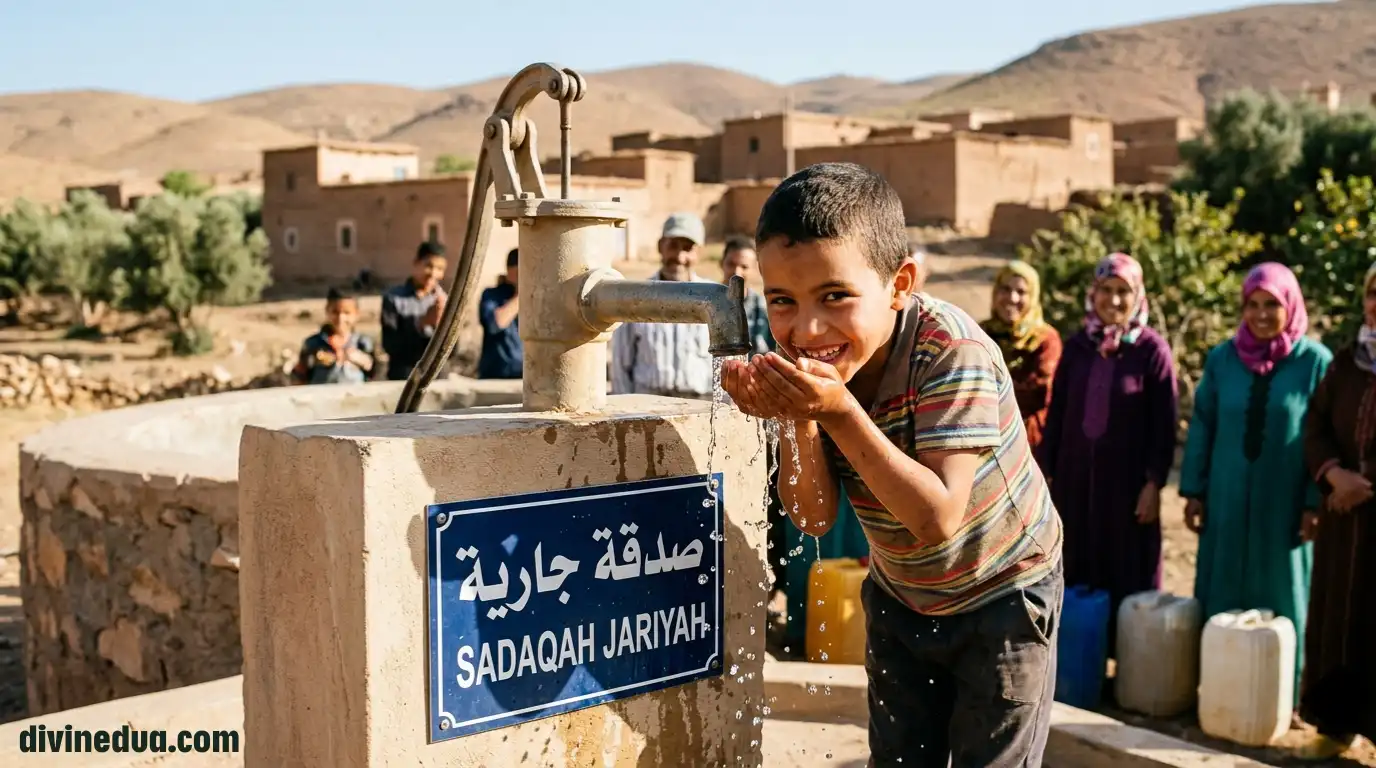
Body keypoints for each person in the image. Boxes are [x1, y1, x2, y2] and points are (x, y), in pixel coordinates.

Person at [722, 163, 1063, 767]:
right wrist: (798, 418)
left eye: (835, 297)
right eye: (782, 301)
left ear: (899, 284)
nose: (807, 328)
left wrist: (838, 411)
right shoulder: (817, 374)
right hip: (904, 597)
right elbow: (814, 515)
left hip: (1004, 594)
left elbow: (937, 518)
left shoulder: (951, 353)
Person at [1180, 263, 1327, 710]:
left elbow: (1323, 436)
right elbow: (1203, 423)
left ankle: (1285, 695)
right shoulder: (1223, 358)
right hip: (1225, 497)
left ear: (1291, 306)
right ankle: (1218, 687)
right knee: (1221, 584)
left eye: (1272, 305)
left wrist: (1312, 501)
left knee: (1286, 593)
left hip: (1283, 503)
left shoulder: (1314, 362)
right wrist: (1193, 489)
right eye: (1253, 305)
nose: (1262, 315)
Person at [1037, 252, 1177, 656]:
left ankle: (1128, 661)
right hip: (1075, 484)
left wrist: (1153, 482)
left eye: (1123, 292)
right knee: (1076, 566)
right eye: (1106, 291)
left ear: (1138, 297)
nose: (1113, 302)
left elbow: (1163, 425)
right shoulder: (1078, 347)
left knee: (1127, 567)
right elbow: (1058, 412)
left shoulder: (1152, 352)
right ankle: (1082, 658)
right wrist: (1046, 473)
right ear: (1093, 294)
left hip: (1128, 488)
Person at [1298, 262, 1376, 759]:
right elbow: (1315, 425)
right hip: (1342, 523)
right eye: (1374, 295)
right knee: (1337, 619)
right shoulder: (1347, 362)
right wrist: (1332, 474)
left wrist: (1365, 485)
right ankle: (1335, 725)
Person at [610, 213, 716, 399]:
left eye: (687, 248)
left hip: (698, 405)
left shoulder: (712, 298)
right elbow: (620, 365)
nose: (679, 256)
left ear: (698, 252)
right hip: (646, 405)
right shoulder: (636, 297)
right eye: (673, 246)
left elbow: (722, 365)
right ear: (660, 246)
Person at [980, 261, 1063, 450]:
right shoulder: (980, 333)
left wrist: (985, 391)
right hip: (983, 440)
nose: (1012, 298)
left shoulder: (1045, 340)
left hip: (1028, 443)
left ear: (1033, 296)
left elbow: (1038, 393)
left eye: (1021, 292)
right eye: (1005, 289)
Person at [381, 241, 448, 381]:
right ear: (416, 263)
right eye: (429, 266)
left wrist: (442, 326)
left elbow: (453, 350)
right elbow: (390, 344)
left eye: (440, 269)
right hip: (404, 378)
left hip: (437, 379)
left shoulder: (444, 301)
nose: (433, 274)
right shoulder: (394, 299)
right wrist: (421, 323)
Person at [290, 287, 378, 385]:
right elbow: (300, 376)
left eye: (347, 313)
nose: (341, 318)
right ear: (327, 311)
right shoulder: (313, 344)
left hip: (355, 398)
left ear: (356, 314)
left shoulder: (363, 343)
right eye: (335, 312)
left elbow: (374, 375)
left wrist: (362, 360)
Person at [721, 235, 775, 356]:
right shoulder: (709, 305)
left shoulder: (764, 309)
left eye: (744, 266)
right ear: (721, 264)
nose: (736, 272)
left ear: (756, 269)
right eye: (731, 264)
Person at [478, 248, 523, 379]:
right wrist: (521, 294)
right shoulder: (492, 295)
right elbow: (496, 323)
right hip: (496, 376)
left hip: (526, 377)